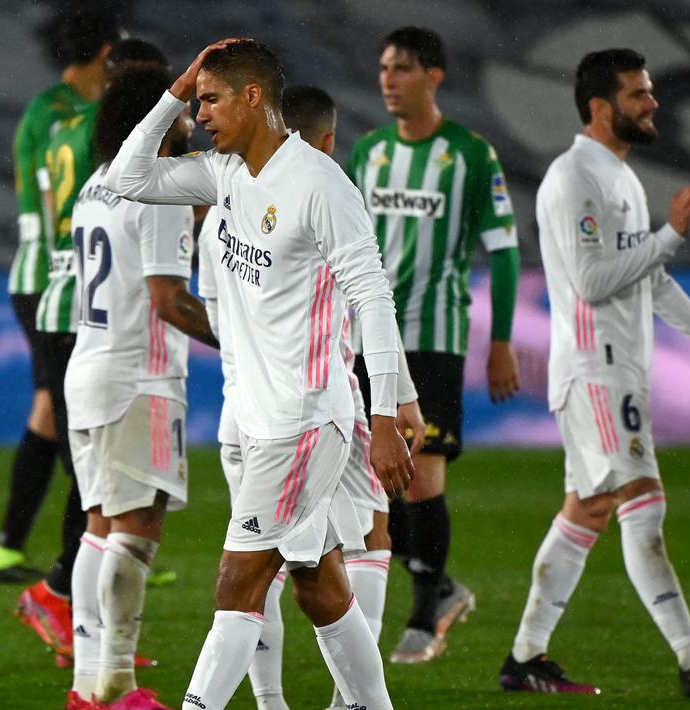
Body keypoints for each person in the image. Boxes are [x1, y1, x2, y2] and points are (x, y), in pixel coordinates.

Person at [106, 39, 413, 710]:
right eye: (195, 100)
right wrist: (176, 86)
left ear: (252, 97)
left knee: (236, 582)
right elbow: (127, 178)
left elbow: (373, 300)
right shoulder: (225, 174)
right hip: (260, 418)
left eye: (209, 99)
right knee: (317, 583)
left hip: (304, 420)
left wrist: (388, 414)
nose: (200, 113)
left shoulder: (318, 185)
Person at [499, 48, 690, 698]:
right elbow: (592, 284)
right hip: (595, 371)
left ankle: (524, 659)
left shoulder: (619, 177)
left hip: (617, 371)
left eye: (649, 92)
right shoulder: (572, 180)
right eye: (638, 94)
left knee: (586, 510)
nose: (652, 103)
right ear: (600, 107)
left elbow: (648, 274)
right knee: (641, 503)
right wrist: (670, 234)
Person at [196, 84, 426, 710]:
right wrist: (395, 403)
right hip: (314, 413)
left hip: (243, 414)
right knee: (351, 544)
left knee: (303, 576)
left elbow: (219, 319)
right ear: (322, 140)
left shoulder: (224, 210)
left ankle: (289, 703)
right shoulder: (321, 197)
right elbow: (364, 309)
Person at [347, 26, 521, 664]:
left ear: (435, 76)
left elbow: (503, 253)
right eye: (385, 67)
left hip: (435, 336)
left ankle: (424, 613)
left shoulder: (472, 155)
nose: (389, 79)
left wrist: (500, 341)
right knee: (372, 486)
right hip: (369, 339)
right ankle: (440, 587)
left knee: (420, 479)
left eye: (403, 69)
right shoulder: (368, 153)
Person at [63, 64, 214, 710]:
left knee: (98, 527)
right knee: (135, 526)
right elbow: (167, 299)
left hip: (90, 369)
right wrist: (242, 339)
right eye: (181, 113)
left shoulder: (96, 185)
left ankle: (87, 685)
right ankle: (118, 682)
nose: (189, 124)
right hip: (137, 377)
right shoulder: (157, 185)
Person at [0, 10, 120, 584]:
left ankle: (12, 547)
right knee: (75, 421)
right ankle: (101, 541)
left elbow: (28, 190)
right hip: (55, 279)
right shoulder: (90, 117)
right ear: (107, 53)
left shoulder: (42, 113)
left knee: (50, 408)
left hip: (34, 274)